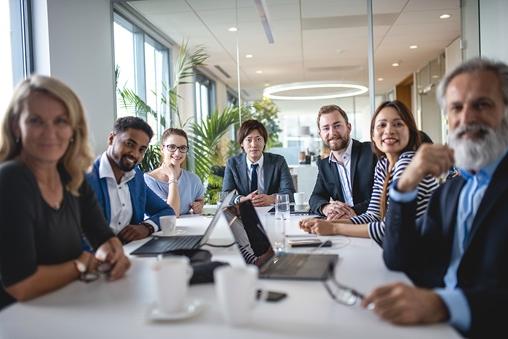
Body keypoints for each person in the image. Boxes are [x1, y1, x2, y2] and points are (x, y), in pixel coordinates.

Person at [361, 58, 508, 338]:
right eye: (456, 108)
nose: (466, 119)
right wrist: (403, 187)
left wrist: (443, 304)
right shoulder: (451, 191)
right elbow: (399, 259)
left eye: (482, 105)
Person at [0, 75, 130, 310]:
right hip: (17, 321)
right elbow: (21, 285)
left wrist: (113, 254)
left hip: (64, 307)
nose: (50, 133)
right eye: (35, 121)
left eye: (60, 121)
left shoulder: (71, 176)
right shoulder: (10, 179)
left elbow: (103, 238)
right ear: (14, 126)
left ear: (73, 129)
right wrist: (80, 264)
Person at [301, 101, 439, 245]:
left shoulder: (408, 164)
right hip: (397, 248)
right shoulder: (384, 164)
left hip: (421, 252)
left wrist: (335, 227)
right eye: (382, 125)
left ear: (410, 130)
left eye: (398, 124)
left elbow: (391, 229)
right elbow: (373, 215)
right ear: (373, 134)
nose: (389, 131)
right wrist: (326, 223)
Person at [86, 117, 174, 244]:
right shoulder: (86, 177)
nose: (135, 154)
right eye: (129, 144)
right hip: (97, 257)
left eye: (141, 150)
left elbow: (167, 212)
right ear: (111, 139)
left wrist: (146, 227)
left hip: (133, 250)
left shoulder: (136, 177)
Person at [309, 105, 377, 220]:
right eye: (326, 128)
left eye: (337, 126)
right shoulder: (324, 165)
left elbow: (383, 196)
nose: (332, 132)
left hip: (374, 223)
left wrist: (351, 211)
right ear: (320, 134)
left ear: (349, 127)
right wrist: (326, 208)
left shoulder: (372, 152)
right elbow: (316, 197)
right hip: (345, 225)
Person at [222, 119, 295, 206]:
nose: (254, 144)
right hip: (245, 213)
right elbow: (225, 195)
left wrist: (271, 199)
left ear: (264, 142)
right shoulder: (232, 163)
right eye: (249, 140)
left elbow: (290, 193)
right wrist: (244, 199)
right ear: (242, 143)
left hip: (271, 212)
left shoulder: (278, 162)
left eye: (258, 139)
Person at [144, 128, 205, 217]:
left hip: (188, 229)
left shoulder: (193, 179)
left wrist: (199, 205)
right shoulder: (149, 180)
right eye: (172, 147)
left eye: (182, 148)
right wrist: (172, 177)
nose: (177, 153)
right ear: (162, 149)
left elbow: (200, 199)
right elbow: (171, 214)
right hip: (160, 230)